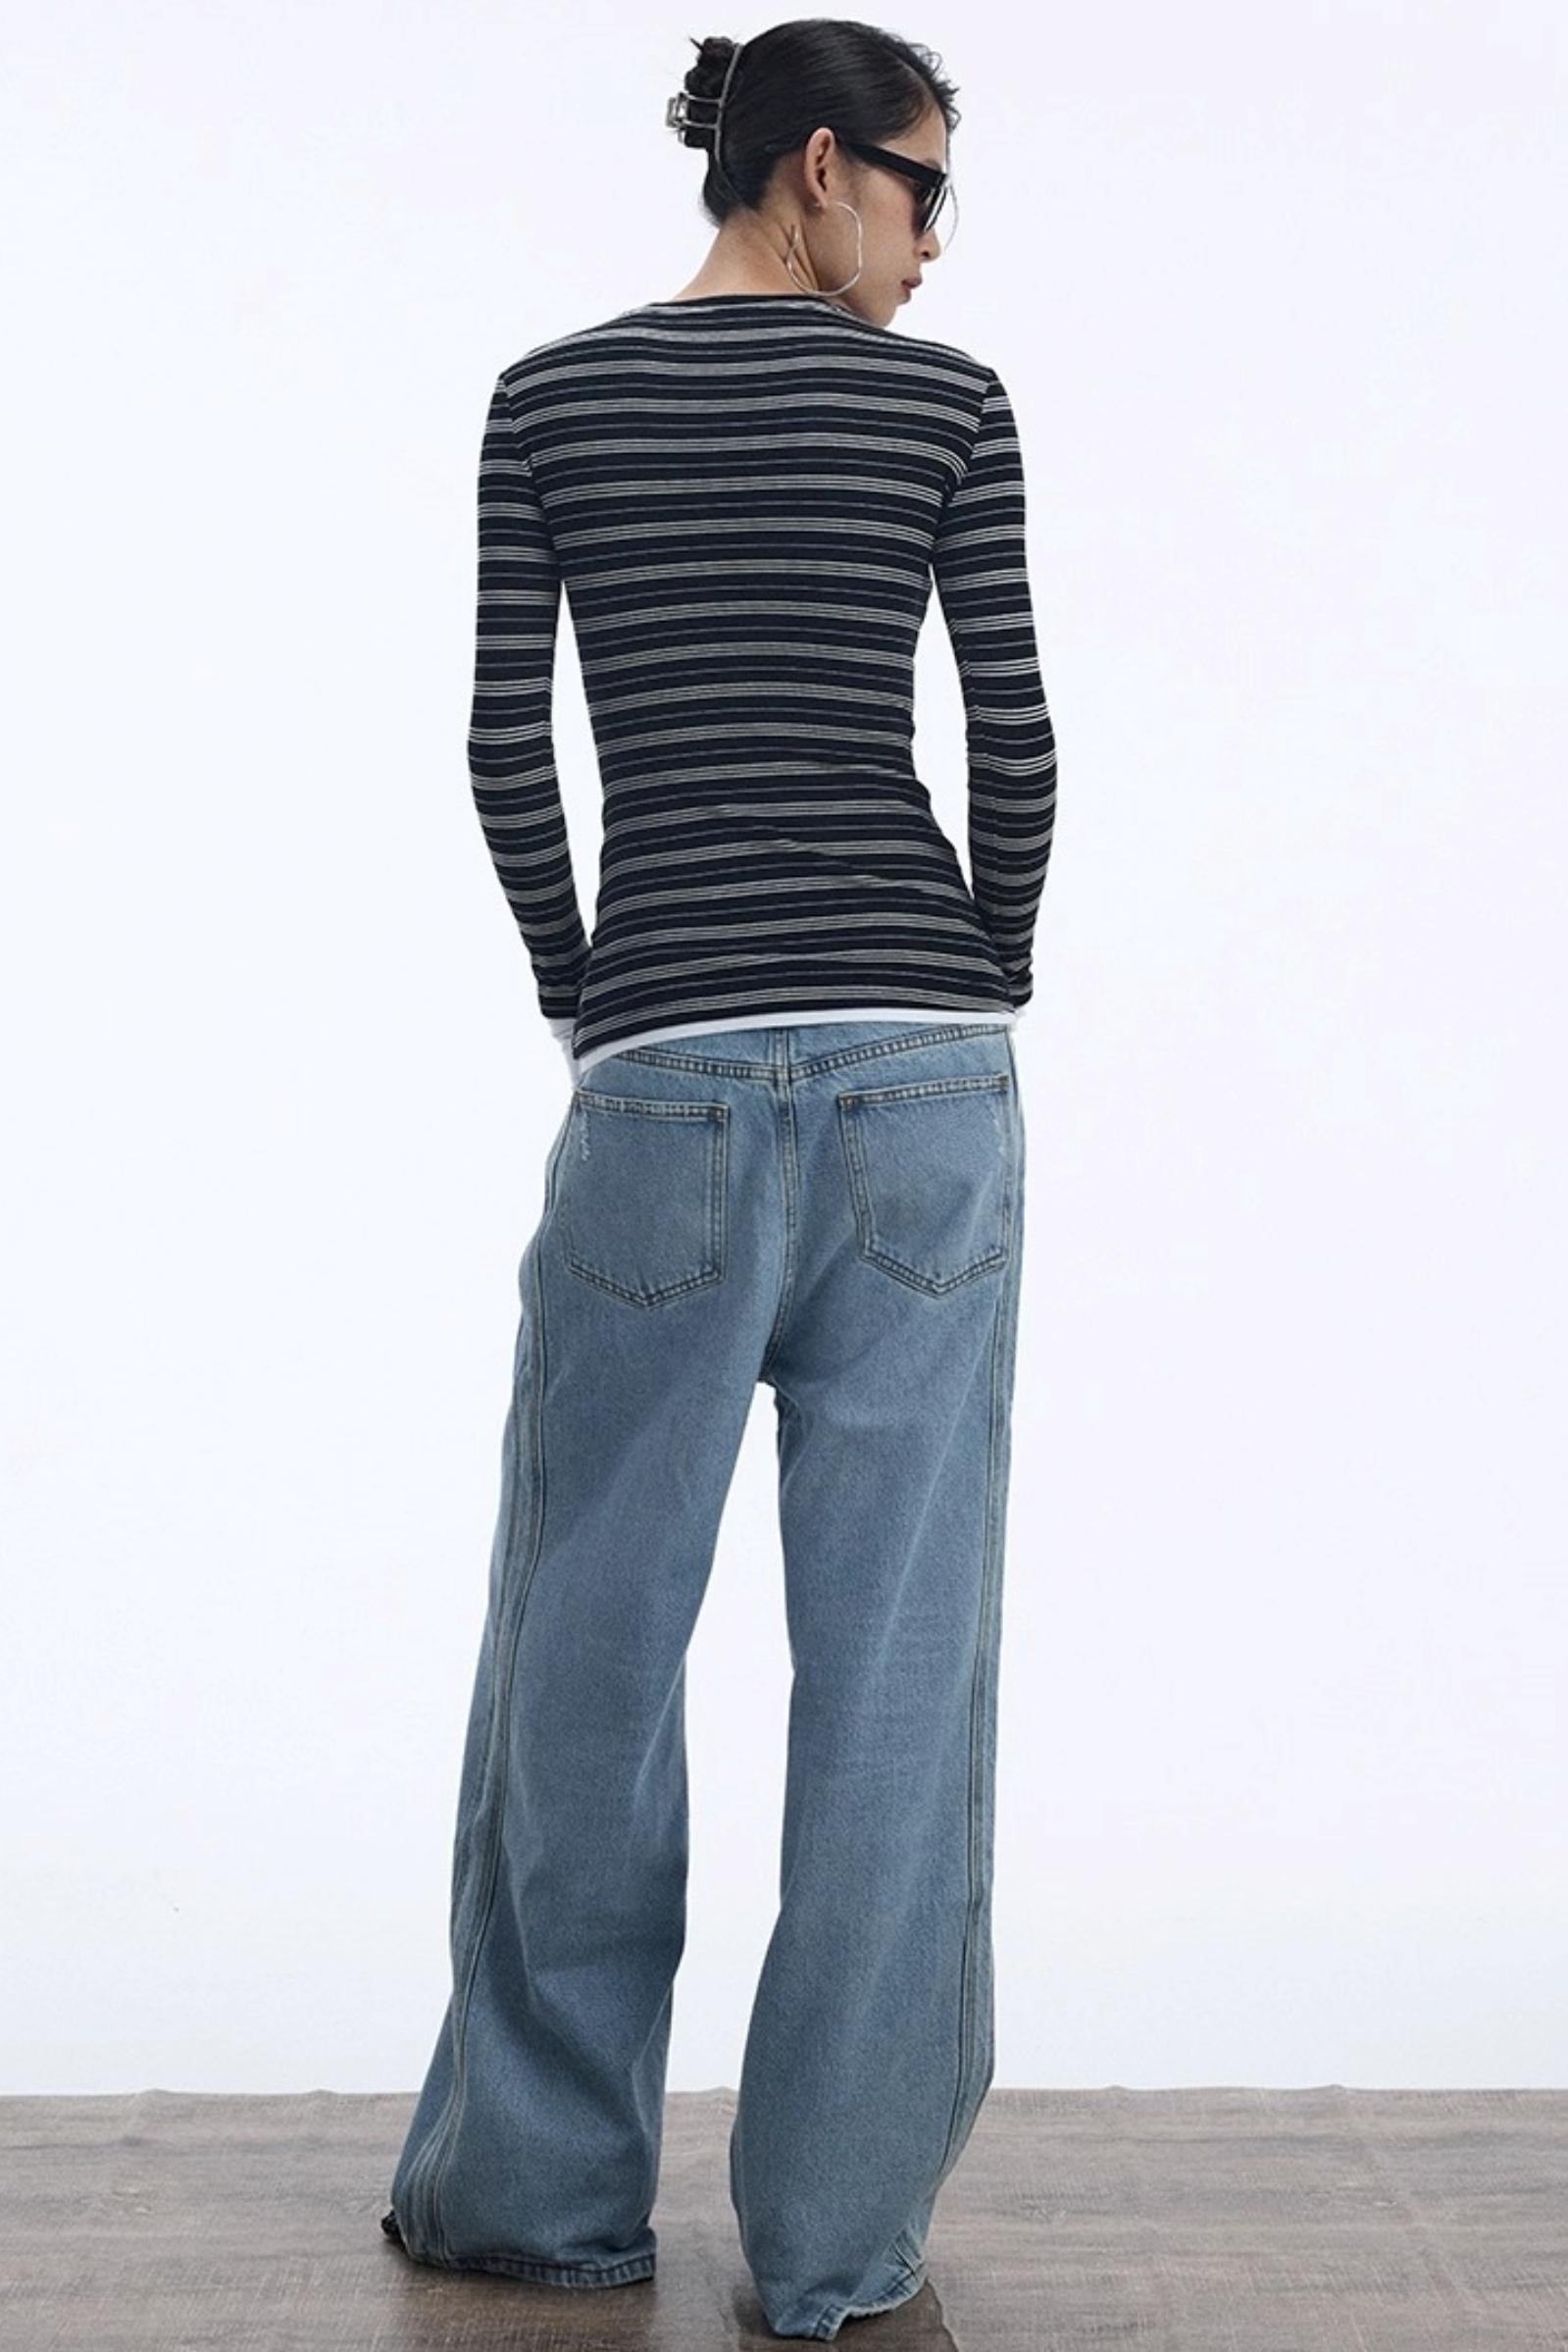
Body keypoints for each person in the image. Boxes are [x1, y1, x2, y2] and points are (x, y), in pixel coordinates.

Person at [381, 18, 1057, 2340]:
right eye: (918, 188)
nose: (934, 238)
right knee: (895, 1675)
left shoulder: (548, 399)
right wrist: (982, 965)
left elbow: (505, 744)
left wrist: (595, 992)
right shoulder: (945, 411)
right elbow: (1012, 735)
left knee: (585, 1644)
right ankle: (838, 2239)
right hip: (923, 1089)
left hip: (658, 1091)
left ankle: (535, 2193)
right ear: (814, 168)